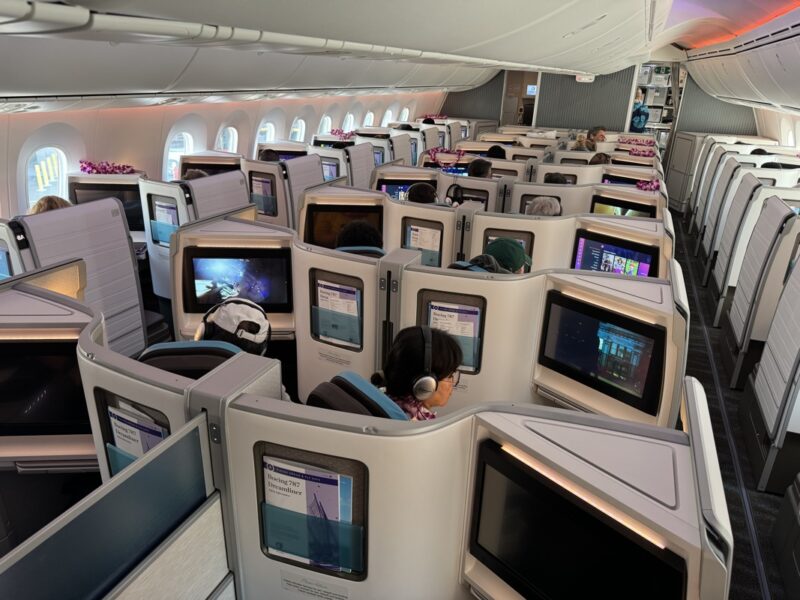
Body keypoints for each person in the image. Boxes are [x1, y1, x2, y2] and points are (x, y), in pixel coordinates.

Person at [371, 326, 463, 420]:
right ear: (425, 383)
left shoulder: (388, 403)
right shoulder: (416, 424)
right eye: (450, 376)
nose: (453, 382)